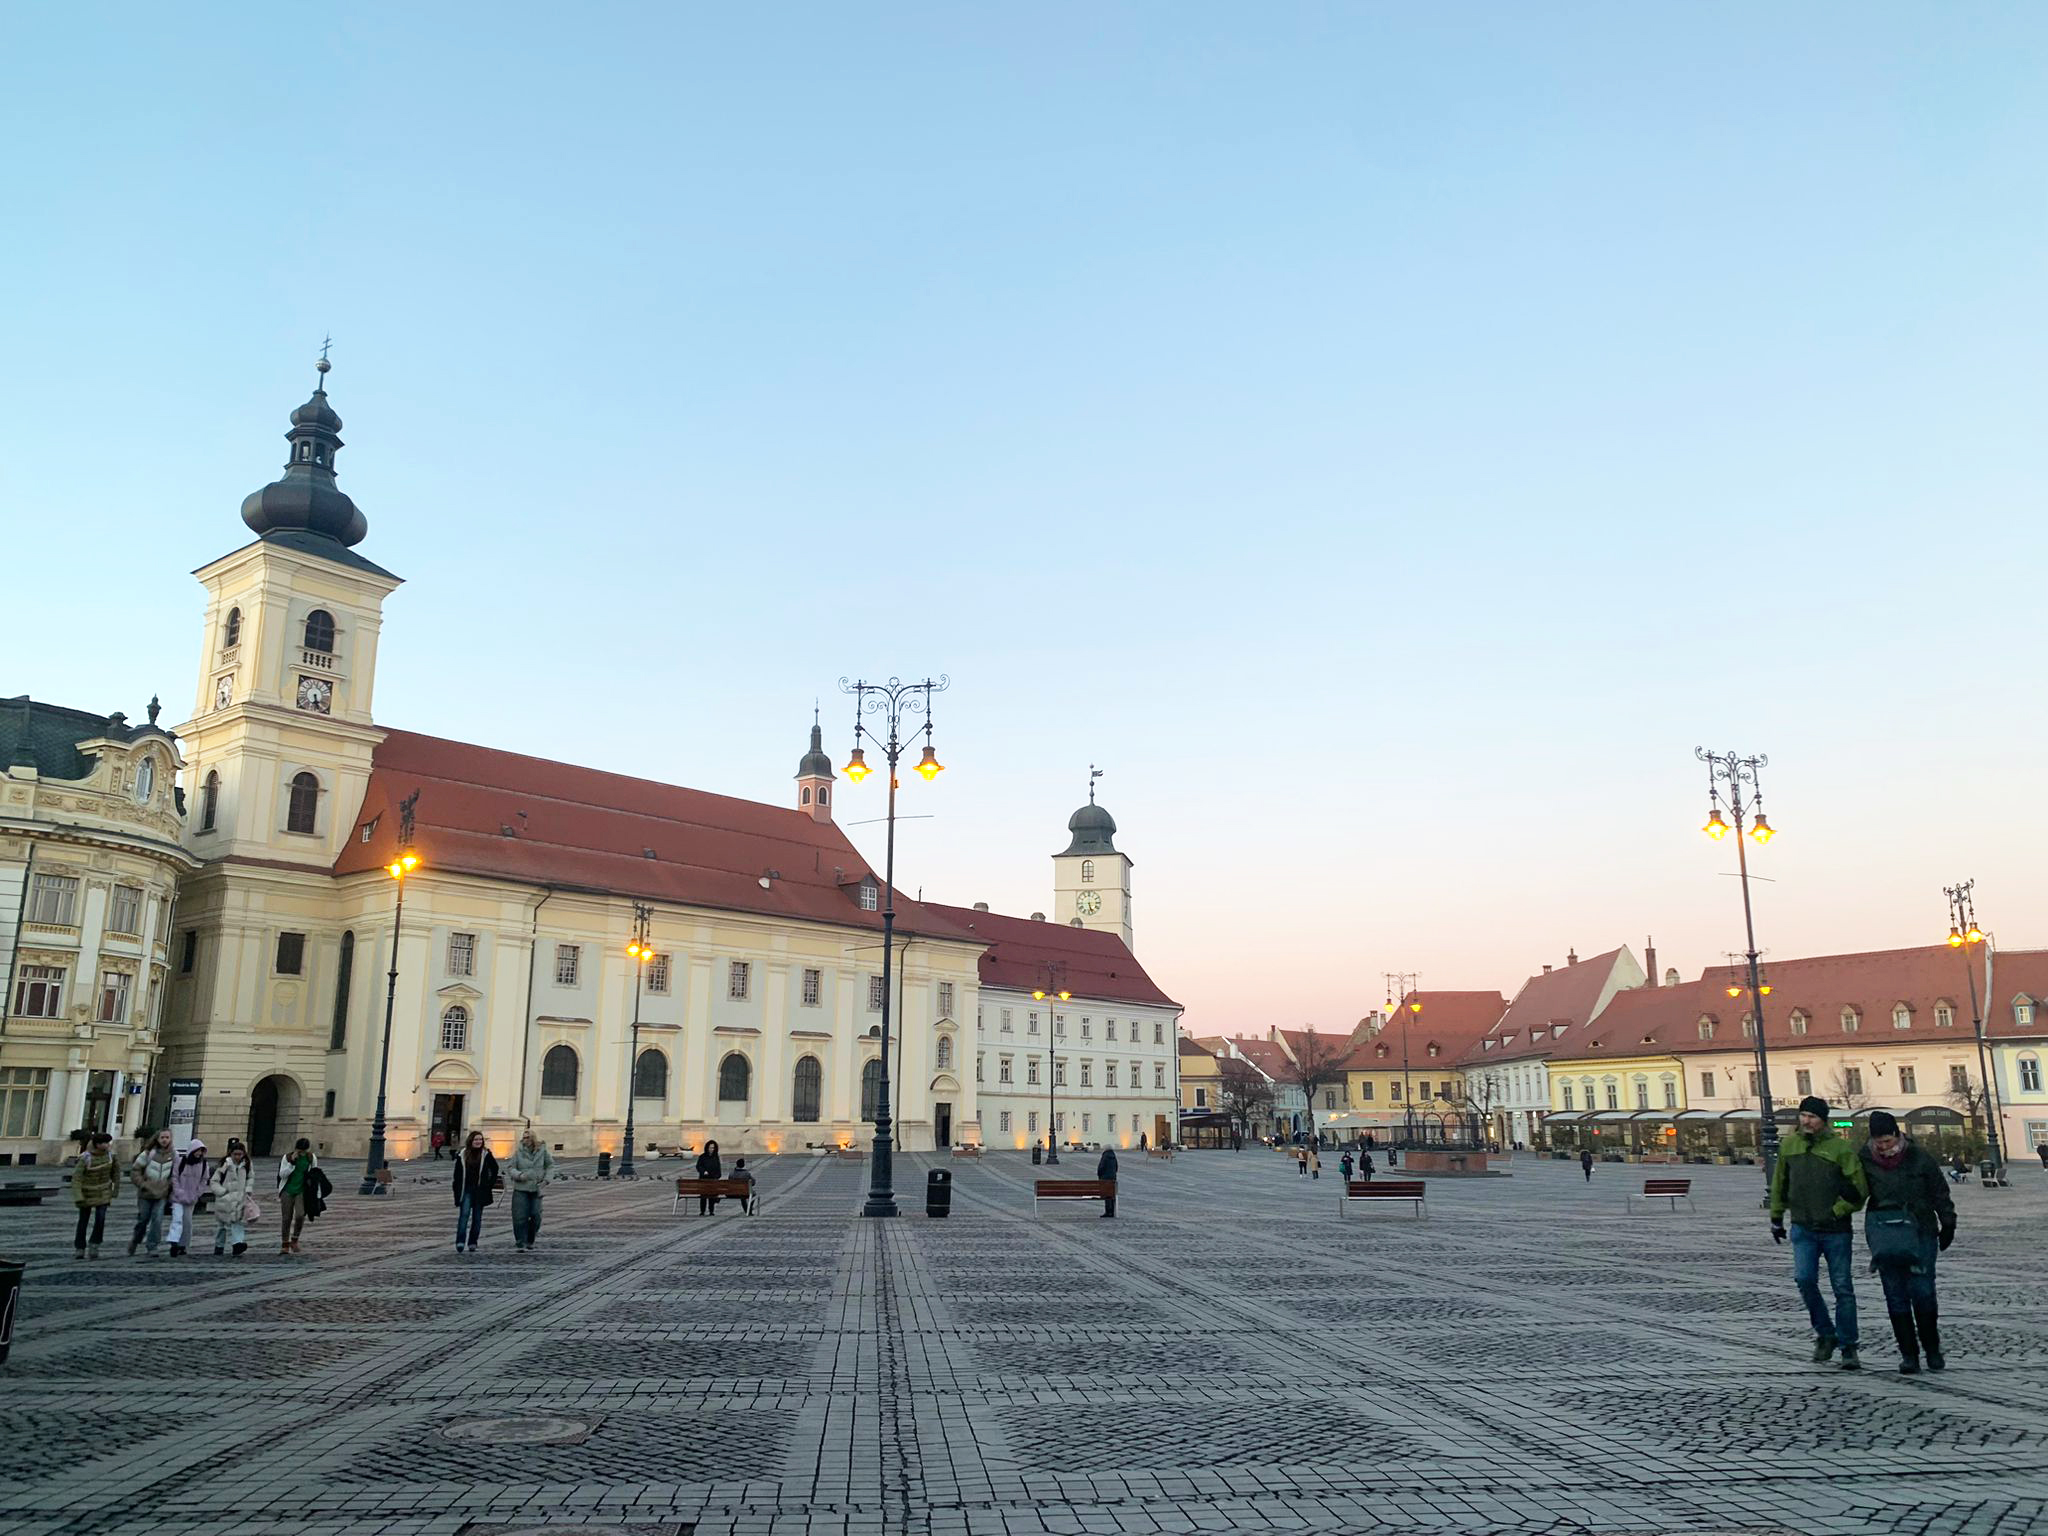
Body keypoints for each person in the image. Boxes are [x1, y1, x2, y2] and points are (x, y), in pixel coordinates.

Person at [1770, 1095, 1870, 1370]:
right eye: (1803, 1115)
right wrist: (1776, 1217)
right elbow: (1779, 1183)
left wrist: (1836, 1211)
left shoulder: (1840, 1149)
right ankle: (1825, 1332)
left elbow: (1859, 1190)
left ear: (1823, 1120)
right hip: (1803, 1226)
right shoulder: (1790, 1145)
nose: (1806, 1121)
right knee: (1804, 1280)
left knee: (1842, 1288)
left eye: (1811, 1116)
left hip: (1835, 1231)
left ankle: (1849, 1345)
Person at [1859, 1111, 1956, 1373]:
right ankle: (1909, 1354)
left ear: (1898, 1135)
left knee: (1923, 1292)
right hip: (1886, 1233)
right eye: (1878, 1142)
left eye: (1888, 1141)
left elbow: (1939, 1192)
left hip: (1921, 1231)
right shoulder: (1865, 1159)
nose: (1884, 1147)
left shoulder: (1919, 1157)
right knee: (1895, 1295)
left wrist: (1948, 1221)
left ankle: (1932, 1349)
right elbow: (1855, 1190)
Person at [70, 1132, 120, 1259]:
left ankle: (95, 1243)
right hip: (87, 1191)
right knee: (83, 1220)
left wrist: (115, 1190)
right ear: (98, 1144)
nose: (108, 1145)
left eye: (109, 1142)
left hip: (103, 1191)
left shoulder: (111, 1156)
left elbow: (116, 1174)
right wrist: (78, 1196)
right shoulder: (86, 1157)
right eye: (105, 1143)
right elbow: (77, 1178)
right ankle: (80, 1247)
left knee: (100, 1218)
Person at [128, 1129, 177, 1257]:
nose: (165, 1140)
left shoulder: (173, 1155)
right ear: (157, 1139)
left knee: (157, 1220)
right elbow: (135, 1171)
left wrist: (169, 1185)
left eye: (167, 1137)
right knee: (143, 1220)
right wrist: (142, 1184)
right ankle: (136, 1240)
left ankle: (152, 1245)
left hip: (162, 1193)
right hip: (146, 1193)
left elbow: (175, 1173)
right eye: (162, 1137)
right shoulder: (148, 1153)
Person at [506, 1130, 555, 1250]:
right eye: (523, 1138)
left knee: (536, 1215)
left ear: (533, 1138)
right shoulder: (518, 1152)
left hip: (536, 1188)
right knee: (519, 1216)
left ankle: (530, 1238)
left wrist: (546, 1180)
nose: (525, 1140)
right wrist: (519, 1175)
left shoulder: (542, 1151)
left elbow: (550, 1165)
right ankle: (520, 1241)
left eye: (527, 1138)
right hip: (521, 1188)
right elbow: (510, 1167)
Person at [450, 1131, 499, 1251]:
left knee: (477, 1218)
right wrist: (456, 1191)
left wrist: (489, 1184)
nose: (478, 1142)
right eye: (476, 1139)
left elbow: (495, 1168)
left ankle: (473, 1242)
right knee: (464, 1216)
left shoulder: (486, 1154)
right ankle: (460, 1241)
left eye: (480, 1140)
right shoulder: (462, 1154)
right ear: (471, 1141)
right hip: (465, 1189)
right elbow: (457, 1175)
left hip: (480, 1190)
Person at [209, 1141, 254, 1257]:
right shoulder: (225, 1164)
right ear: (231, 1154)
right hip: (225, 1199)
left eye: (240, 1154)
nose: (238, 1157)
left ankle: (237, 1244)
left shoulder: (247, 1164)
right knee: (222, 1225)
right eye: (235, 1154)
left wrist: (248, 1189)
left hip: (239, 1198)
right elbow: (214, 1181)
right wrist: (222, 1192)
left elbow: (250, 1177)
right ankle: (219, 1246)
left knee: (237, 1222)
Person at [167, 1136, 210, 1257]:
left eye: (201, 1151)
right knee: (177, 1219)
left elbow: (204, 1180)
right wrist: (178, 1191)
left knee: (187, 1222)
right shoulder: (181, 1162)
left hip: (191, 1198)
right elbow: (174, 1177)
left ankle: (183, 1245)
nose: (199, 1153)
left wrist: (197, 1193)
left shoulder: (203, 1164)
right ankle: (174, 1242)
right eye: (197, 1150)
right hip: (178, 1197)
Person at [276, 1138, 318, 1255]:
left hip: (302, 1190)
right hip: (287, 1190)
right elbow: (282, 1174)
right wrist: (292, 1163)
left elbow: (314, 1174)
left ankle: (295, 1239)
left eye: (304, 1151)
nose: (302, 1153)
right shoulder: (287, 1157)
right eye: (300, 1151)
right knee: (286, 1218)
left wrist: (315, 1193)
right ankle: (285, 1244)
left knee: (300, 1215)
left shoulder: (311, 1158)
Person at [694, 1139, 723, 1215]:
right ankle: (702, 1211)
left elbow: (718, 1170)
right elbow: (698, 1166)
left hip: (712, 1180)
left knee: (711, 1196)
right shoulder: (702, 1157)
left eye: (713, 1148)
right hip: (704, 1179)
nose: (711, 1149)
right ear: (707, 1148)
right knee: (703, 1196)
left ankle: (711, 1211)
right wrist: (703, 1171)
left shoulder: (716, 1157)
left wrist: (716, 1176)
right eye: (710, 1148)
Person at [1097, 1143, 1118, 1218]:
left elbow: (1101, 1167)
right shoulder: (1114, 1156)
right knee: (1111, 1195)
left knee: (1106, 1195)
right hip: (1112, 1178)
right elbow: (1116, 1167)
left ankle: (1108, 1211)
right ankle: (1111, 1211)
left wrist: (1099, 1175)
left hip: (1105, 1178)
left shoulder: (1105, 1156)